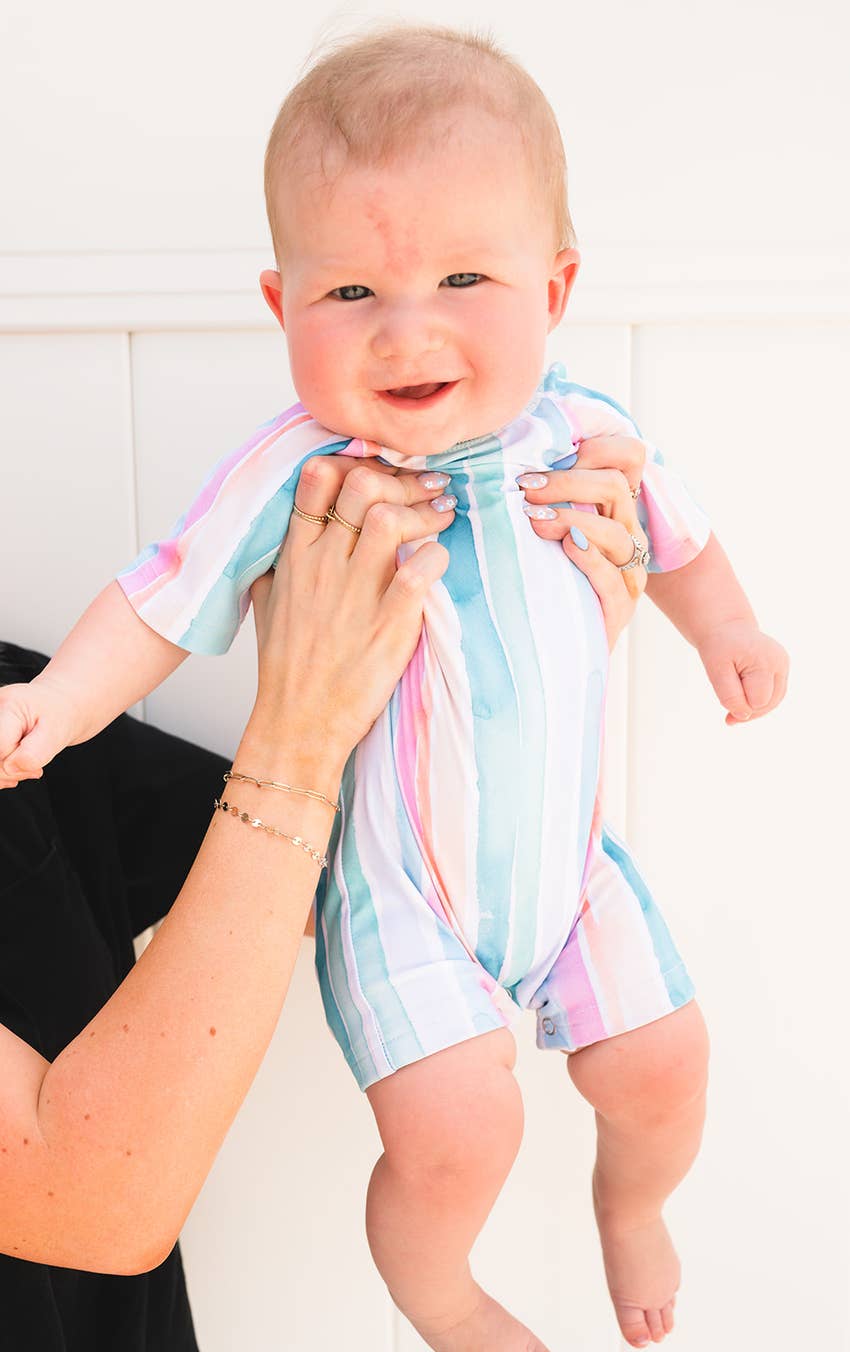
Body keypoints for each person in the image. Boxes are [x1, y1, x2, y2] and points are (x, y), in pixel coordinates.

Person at [0, 21, 789, 1352]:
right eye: (350, 294)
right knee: (453, 1132)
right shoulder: (293, 473)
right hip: (402, 897)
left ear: (555, 287)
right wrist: (55, 704)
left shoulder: (581, 435)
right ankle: (441, 1293)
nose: (404, 329)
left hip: (570, 870)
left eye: (463, 276)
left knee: (664, 1068)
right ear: (281, 308)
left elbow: (680, 540)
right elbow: (160, 596)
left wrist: (727, 632)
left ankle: (631, 1203)